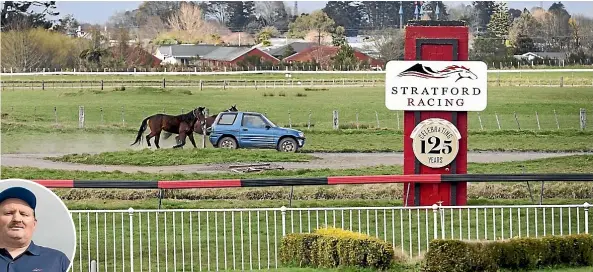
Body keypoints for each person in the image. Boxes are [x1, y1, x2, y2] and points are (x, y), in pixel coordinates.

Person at [0, 186, 71, 272]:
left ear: (34, 224)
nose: (17, 219)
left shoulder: (58, 260)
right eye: (9, 213)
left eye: (24, 214)